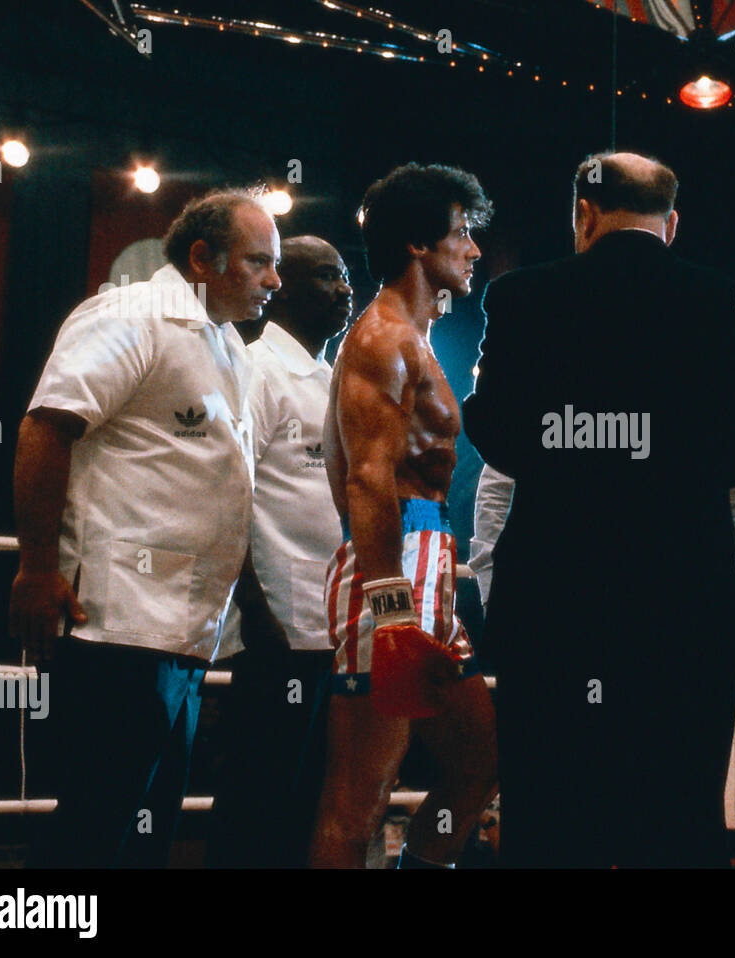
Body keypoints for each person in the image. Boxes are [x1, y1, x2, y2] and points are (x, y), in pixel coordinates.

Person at [462, 151, 735, 867]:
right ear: (671, 223)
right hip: (686, 601)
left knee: (547, 815)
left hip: (557, 601)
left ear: (583, 212)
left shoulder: (522, 296)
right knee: (683, 817)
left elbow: (499, 436)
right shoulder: (727, 300)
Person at [8, 188, 279, 866]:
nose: (275, 280)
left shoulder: (226, 344)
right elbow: (46, 426)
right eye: (259, 263)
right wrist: (37, 567)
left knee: (143, 830)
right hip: (117, 620)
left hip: (184, 631)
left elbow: (219, 487)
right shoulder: (129, 314)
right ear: (201, 259)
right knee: (93, 829)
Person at [310, 163, 497, 869]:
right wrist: (390, 608)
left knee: (479, 760)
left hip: (429, 562)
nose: (474, 249)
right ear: (419, 244)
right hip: (395, 565)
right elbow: (366, 479)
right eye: (461, 233)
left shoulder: (413, 337)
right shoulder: (383, 337)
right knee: (360, 794)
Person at [207, 236, 353, 867]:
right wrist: (256, 613)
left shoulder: (331, 376)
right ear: (282, 285)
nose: (346, 289)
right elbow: (228, 499)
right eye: (327, 276)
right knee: (255, 801)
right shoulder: (256, 369)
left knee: (309, 803)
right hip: (277, 633)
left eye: (346, 276)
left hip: (334, 628)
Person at [470, 462, 735, 636]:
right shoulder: (553, 358)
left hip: (684, 600)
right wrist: (493, 586)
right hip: (565, 599)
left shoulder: (704, 356)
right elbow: (500, 478)